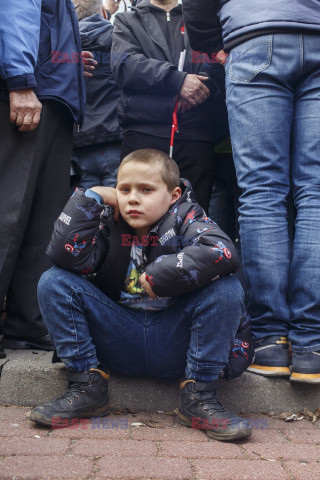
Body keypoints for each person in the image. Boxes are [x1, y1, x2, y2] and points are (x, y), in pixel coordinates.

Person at [29, 149, 252, 441]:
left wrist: (161, 276)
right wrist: (93, 196)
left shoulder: (188, 217)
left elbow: (223, 252)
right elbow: (63, 255)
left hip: (177, 342)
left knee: (227, 288)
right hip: (118, 337)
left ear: (173, 195)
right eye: (125, 189)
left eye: (146, 190)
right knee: (53, 281)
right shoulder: (107, 220)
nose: (133, 198)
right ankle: (87, 387)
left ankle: (200, 397)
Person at [183, 0, 320, 382]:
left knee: (262, 191)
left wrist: (213, 42)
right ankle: (312, 344)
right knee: (316, 192)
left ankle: (271, 340)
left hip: (255, 34)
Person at [0, 0, 89, 357]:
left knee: (42, 222)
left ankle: (28, 328)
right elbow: (16, 8)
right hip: (29, 90)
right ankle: (26, 326)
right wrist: (20, 78)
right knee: (8, 213)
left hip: (55, 98)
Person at [111, 0, 229, 211]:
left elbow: (219, 65)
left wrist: (202, 88)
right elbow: (125, 65)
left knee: (192, 219)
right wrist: (176, 81)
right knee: (137, 220)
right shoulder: (127, 20)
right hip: (143, 135)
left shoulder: (202, 18)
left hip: (196, 136)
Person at [72, 0, 123, 190]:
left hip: (80, 141)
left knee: (86, 208)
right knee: (117, 202)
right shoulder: (118, 38)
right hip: (113, 136)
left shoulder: (65, 44)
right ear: (103, 12)